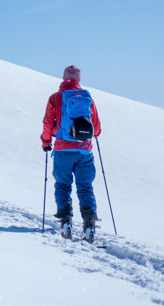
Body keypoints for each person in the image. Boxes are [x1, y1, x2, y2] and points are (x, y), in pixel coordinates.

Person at [41, 65, 102, 240]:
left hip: (62, 150)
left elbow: (47, 123)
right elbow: (96, 128)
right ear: (78, 79)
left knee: (62, 185)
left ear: (63, 78)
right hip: (84, 151)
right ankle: (89, 223)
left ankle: (66, 221)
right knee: (85, 186)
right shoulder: (87, 98)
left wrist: (46, 141)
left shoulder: (55, 98)